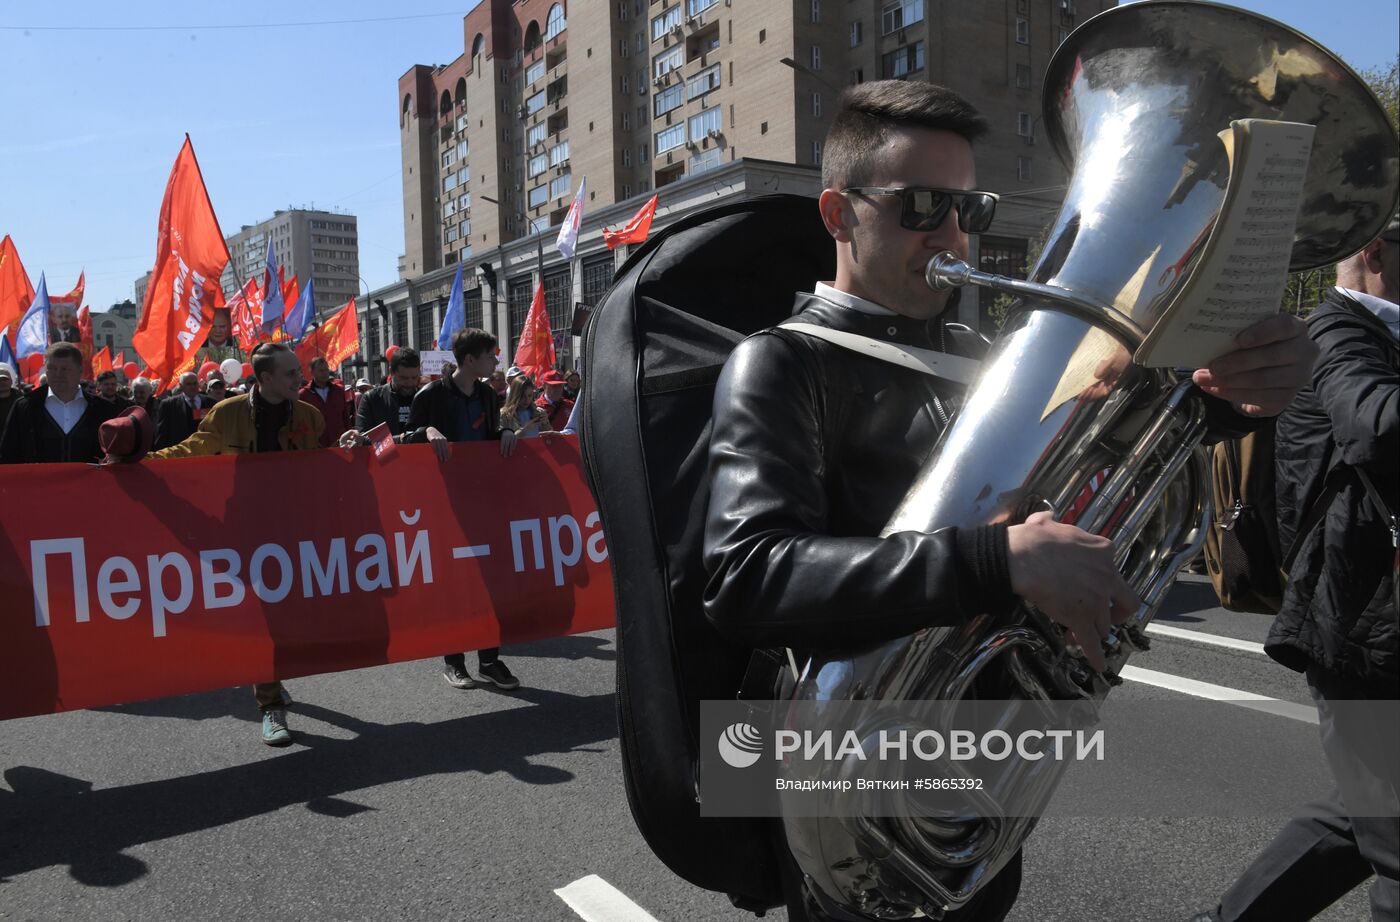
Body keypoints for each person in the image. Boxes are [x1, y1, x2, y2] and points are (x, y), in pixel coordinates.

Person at [701, 81, 1318, 922]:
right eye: (921, 206)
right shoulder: (780, 365)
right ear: (839, 215)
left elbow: (1125, 459)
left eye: (969, 209)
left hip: (970, 782)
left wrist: (1227, 398)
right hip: (846, 790)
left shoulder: (986, 357)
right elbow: (747, 577)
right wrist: (1000, 561)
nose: (952, 236)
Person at [1197, 216, 1399, 922]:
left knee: (1360, 816)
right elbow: (1376, 424)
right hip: (1359, 629)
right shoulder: (1337, 331)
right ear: (1374, 252)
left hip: (1377, 623)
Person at [148, 342, 326, 746]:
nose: (300, 379)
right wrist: (142, 465)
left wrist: (351, 451)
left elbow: (321, 469)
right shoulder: (227, 414)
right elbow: (192, 449)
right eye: (290, 373)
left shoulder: (310, 417)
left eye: (298, 372)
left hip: (294, 532)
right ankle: (269, 705)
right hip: (246, 533)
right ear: (264, 379)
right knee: (264, 620)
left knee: (289, 617)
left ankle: (272, 681)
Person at [402, 328, 522, 692]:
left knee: (489, 582)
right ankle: (454, 661)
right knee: (453, 584)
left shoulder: (487, 395)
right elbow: (404, 438)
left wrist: (504, 430)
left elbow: (492, 431)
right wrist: (426, 432)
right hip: (442, 505)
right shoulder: (430, 395)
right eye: (490, 356)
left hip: (481, 502)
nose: (496, 362)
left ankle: (489, 660)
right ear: (470, 360)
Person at [0, 343, 123, 464]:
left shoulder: (102, 409)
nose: (58, 374)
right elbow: (8, 454)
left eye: (65, 369)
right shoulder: (25, 407)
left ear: (80, 370)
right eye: (52, 368)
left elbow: (117, 455)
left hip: (88, 483)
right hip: (38, 483)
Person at [347, 347, 422, 442]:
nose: (410, 383)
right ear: (391, 372)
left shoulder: (426, 398)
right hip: (385, 457)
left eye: (414, 377)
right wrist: (401, 440)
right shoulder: (371, 399)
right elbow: (361, 439)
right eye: (404, 378)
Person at [299, 357, 352, 448]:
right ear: (312, 372)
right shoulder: (304, 395)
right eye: (321, 370)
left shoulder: (338, 391)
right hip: (316, 446)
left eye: (326, 370)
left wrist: (349, 436)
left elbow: (345, 417)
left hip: (340, 443)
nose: (325, 373)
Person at [153, 372, 215, 450]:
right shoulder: (168, 405)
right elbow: (162, 433)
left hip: (205, 450)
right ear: (181, 386)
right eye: (188, 384)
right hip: (180, 452)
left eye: (195, 383)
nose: (192, 387)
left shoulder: (211, 403)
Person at [0, 363, 22, 434]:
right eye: (0, 379)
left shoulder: (21, 400)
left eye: (5, 379)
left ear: (11, 381)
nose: (2, 382)